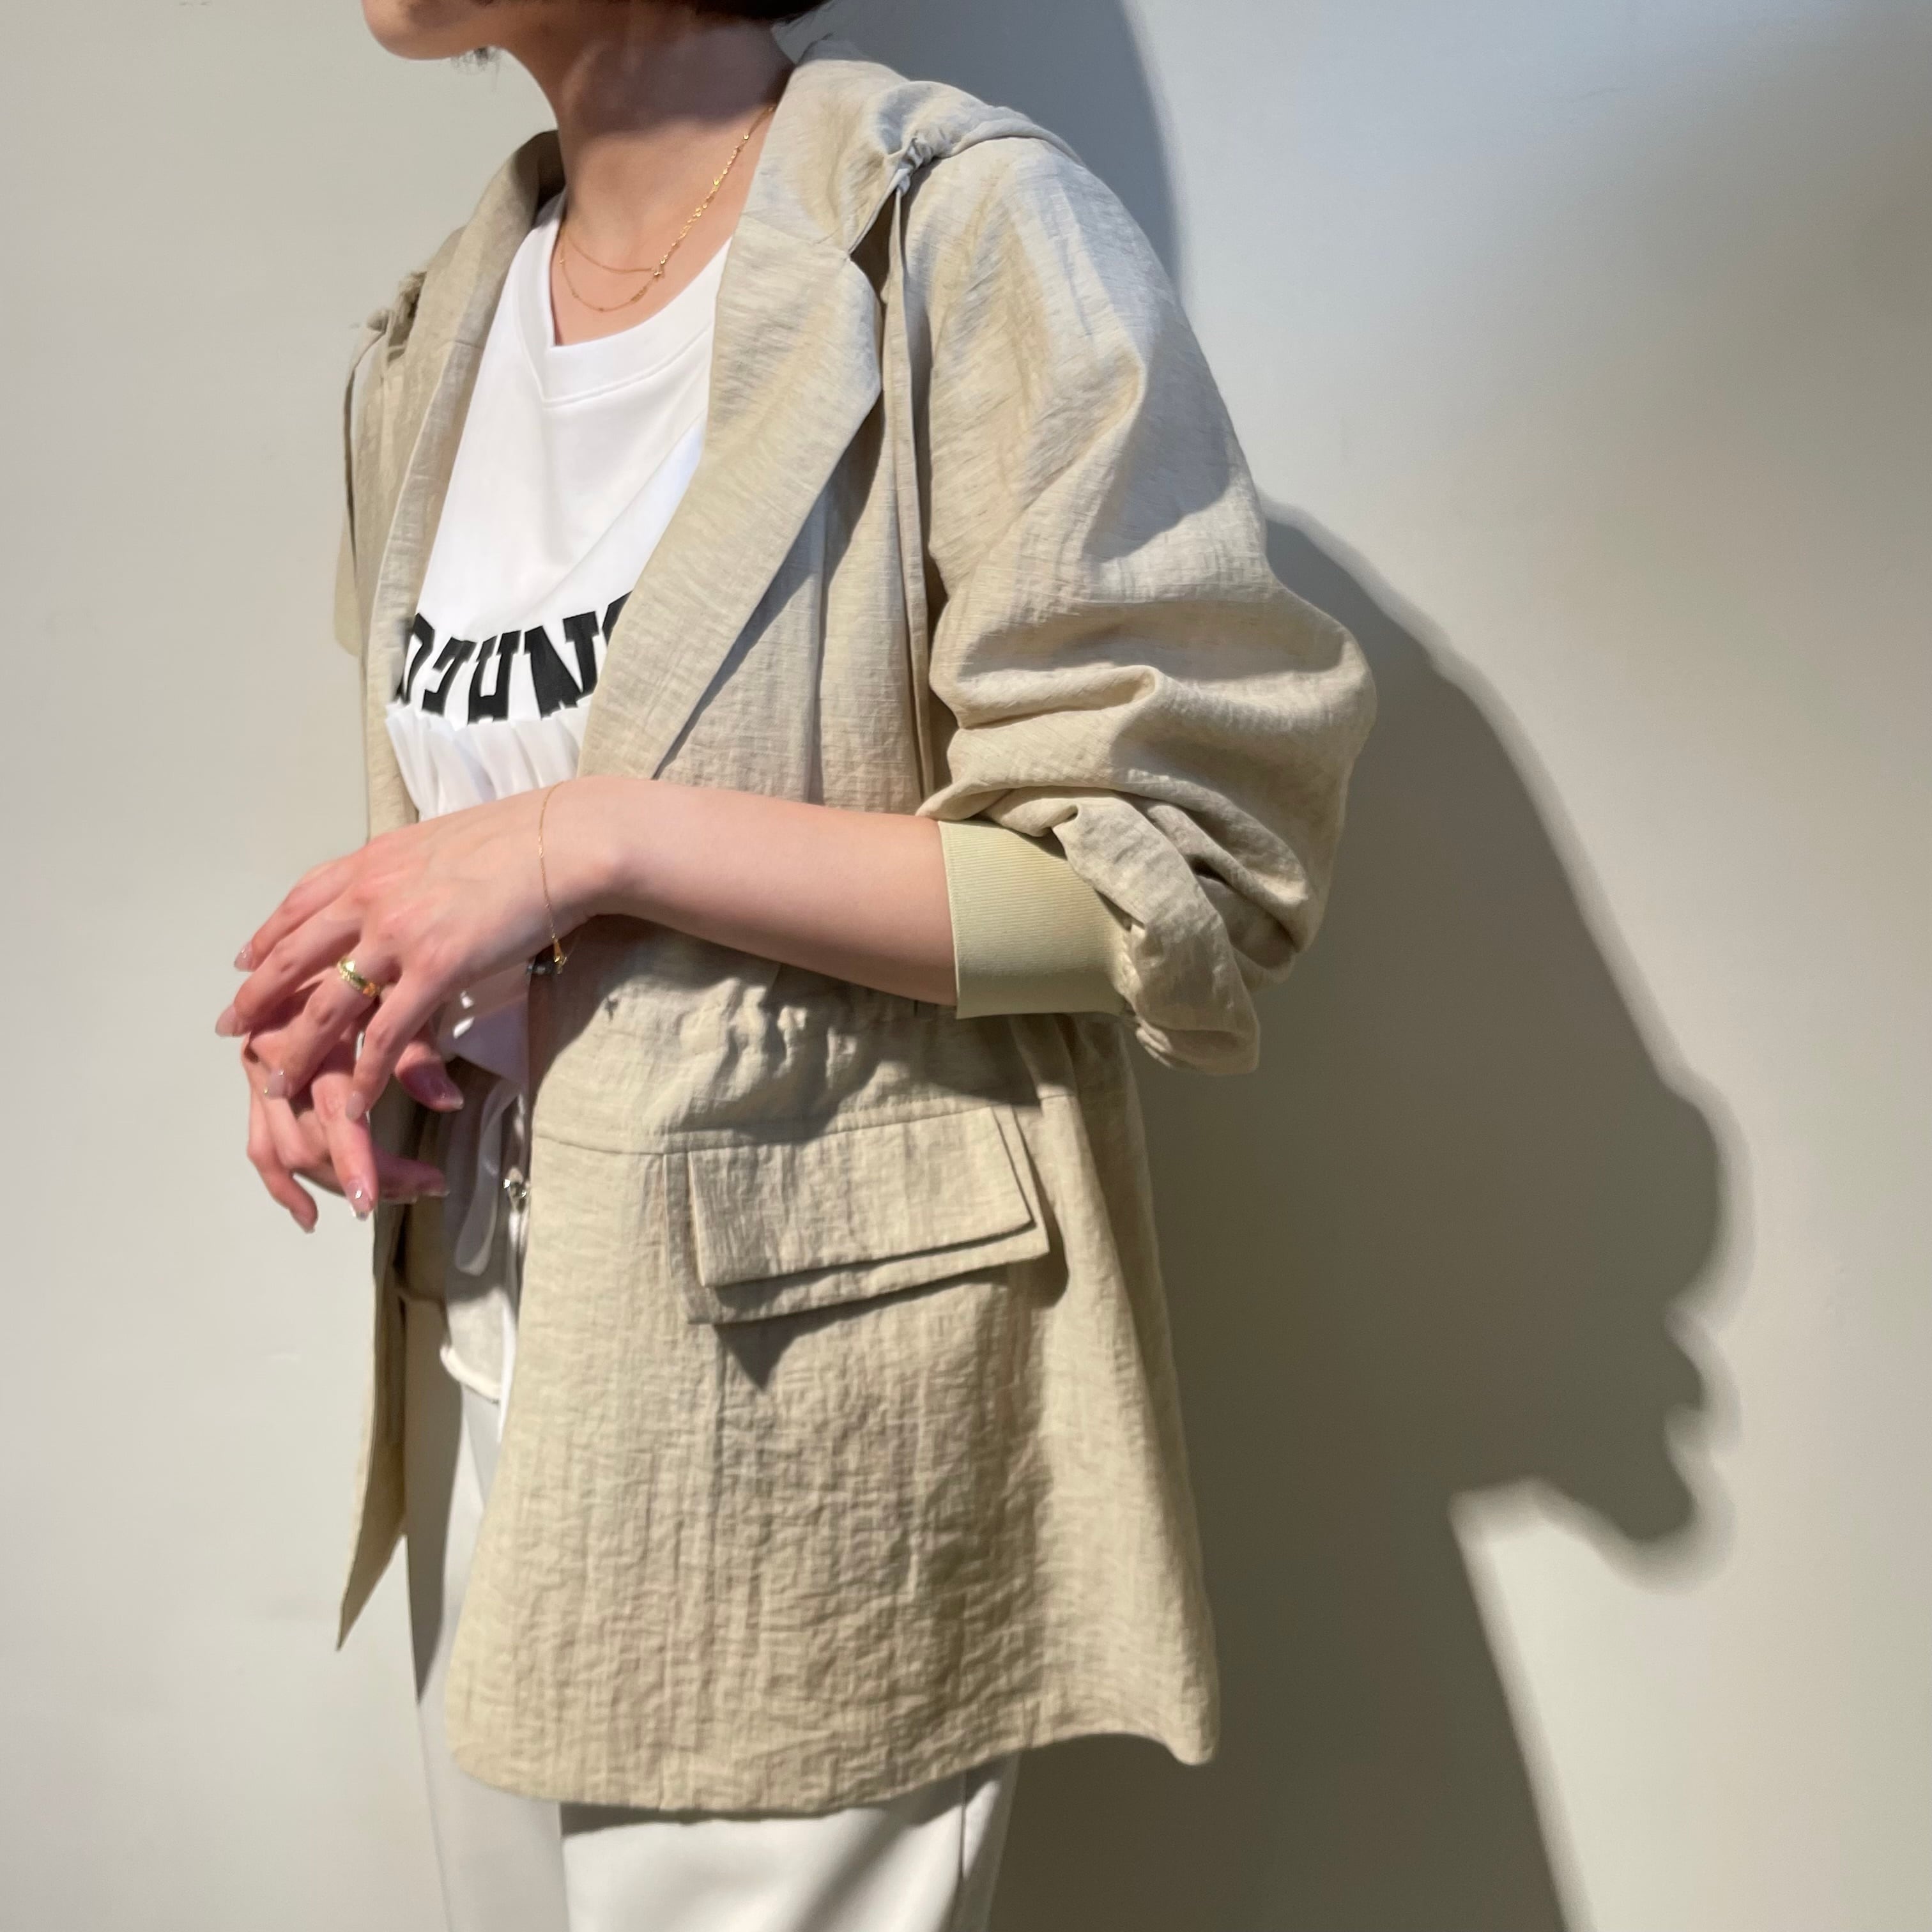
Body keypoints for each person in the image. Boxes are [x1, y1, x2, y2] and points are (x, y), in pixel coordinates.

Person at [216, 4, 1375, 1927]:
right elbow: (484, 836)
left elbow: (1174, 878)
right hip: (483, 1351)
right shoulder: (436, 335)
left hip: (815, 1394)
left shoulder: (961, 237)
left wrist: (593, 836)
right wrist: (376, 1001)